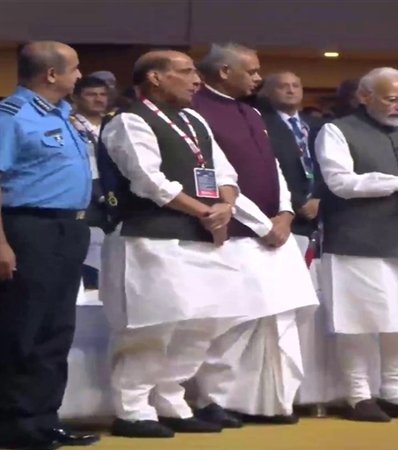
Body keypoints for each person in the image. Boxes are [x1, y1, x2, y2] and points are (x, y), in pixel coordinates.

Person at [100, 50, 253, 438]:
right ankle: (133, 409)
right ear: (155, 77)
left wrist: (226, 205)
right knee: (153, 325)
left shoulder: (194, 119)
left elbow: (224, 171)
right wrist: (205, 211)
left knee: (201, 324)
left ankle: (171, 400)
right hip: (151, 236)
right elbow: (148, 181)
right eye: (185, 72)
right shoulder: (130, 120)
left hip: (202, 234)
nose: (197, 80)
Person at [315, 67, 398, 422]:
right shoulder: (337, 130)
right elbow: (341, 183)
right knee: (357, 320)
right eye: (392, 99)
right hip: (356, 239)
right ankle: (358, 396)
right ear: (365, 97)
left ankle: (395, 393)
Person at [191, 43, 318, 425]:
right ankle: (218, 401)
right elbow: (219, 178)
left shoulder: (252, 111)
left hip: (273, 232)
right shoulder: (196, 111)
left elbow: (274, 167)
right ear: (224, 71)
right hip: (231, 234)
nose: (258, 78)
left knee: (276, 321)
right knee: (234, 323)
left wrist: (285, 213)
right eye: (252, 71)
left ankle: (269, 402)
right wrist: (264, 224)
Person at [0, 41, 99, 449]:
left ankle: (44, 420)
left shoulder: (63, 114)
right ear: (52, 74)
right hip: (28, 228)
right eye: (75, 68)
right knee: (21, 328)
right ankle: (14, 425)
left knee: (56, 329)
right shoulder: (12, 117)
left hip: (69, 229)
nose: (80, 76)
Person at [253, 71, 321, 251]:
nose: (291, 91)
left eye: (295, 86)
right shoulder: (259, 124)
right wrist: (297, 202)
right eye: (283, 86)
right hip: (282, 213)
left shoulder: (319, 125)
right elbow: (263, 170)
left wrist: (320, 198)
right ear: (267, 92)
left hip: (321, 213)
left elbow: (327, 166)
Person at [70, 75, 112, 289]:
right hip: (85, 197)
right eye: (91, 94)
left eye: (103, 94)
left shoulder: (114, 123)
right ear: (76, 98)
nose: (98, 99)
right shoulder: (70, 124)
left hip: (113, 195)